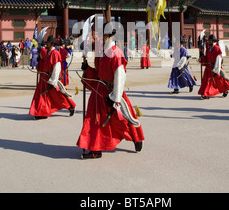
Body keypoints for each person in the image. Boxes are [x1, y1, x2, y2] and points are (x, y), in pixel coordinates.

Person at [77, 23, 144, 159]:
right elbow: (97, 74)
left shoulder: (115, 52)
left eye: (100, 34)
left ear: (107, 35)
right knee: (94, 120)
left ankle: (136, 138)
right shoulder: (100, 53)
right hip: (98, 93)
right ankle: (95, 148)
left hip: (112, 91)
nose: (97, 37)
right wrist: (87, 68)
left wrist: (116, 97)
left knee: (122, 118)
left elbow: (120, 76)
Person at [29, 35, 76, 120]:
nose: (46, 44)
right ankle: (41, 112)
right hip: (44, 78)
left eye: (48, 42)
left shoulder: (55, 53)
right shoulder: (48, 52)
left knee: (57, 95)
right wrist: (39, 60)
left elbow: (57, 67)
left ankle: (70, 106)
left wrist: (53, 81)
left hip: (50, 78)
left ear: (52, 43)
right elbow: (43, 65)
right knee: (42, 96)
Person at [198, 35, 229, 100]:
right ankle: (206, 94)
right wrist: (201, 55)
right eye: (209, 40)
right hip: (208, 68)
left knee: (219, 81)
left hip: (215, 67)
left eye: (210, 40)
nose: (209, 42)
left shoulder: (217, 48)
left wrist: (216, 69)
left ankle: (224, 90)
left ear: (213, 41)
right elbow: (206, 59)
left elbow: (219, 59)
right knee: (207, 81)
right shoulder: (208, 49)